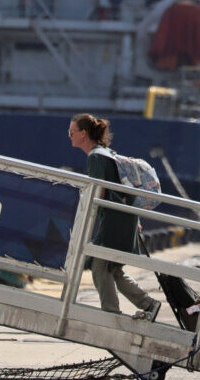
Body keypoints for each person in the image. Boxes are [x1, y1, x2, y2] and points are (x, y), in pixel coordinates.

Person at [69, 113, 161, 321]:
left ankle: (111, 315)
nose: (69, 136)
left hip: (114, 221)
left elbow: (99, 192)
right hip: (122, 218)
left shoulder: (96, 156)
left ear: (83, 134)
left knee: (99, 266)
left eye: (71, 132)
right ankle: (149, 304)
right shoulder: (105, 153)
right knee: (112, 268)